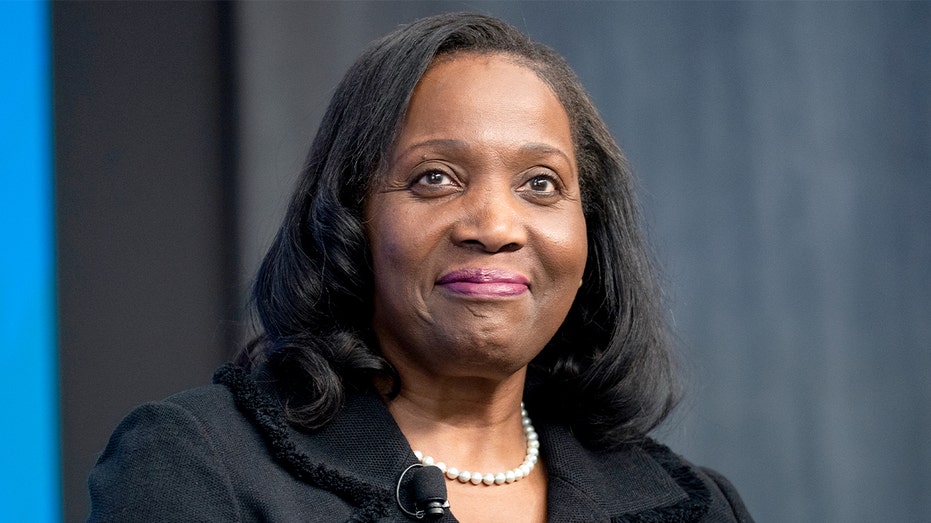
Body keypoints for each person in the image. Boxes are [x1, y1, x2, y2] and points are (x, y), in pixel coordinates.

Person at [88, 12, 753, 522]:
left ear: (588, 233)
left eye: (540, 184)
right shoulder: (197, 465)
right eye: (434, 177)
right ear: (350, 218)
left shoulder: (693, 503)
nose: (493, 227)